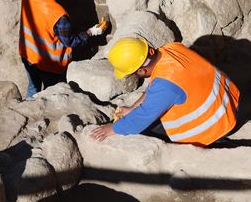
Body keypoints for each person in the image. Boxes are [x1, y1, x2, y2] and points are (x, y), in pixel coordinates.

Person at [90, 38, 240, 146]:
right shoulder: (171, 49)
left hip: (216, 125)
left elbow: (140, 119)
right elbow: (154, 88)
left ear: (141, 70)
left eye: (133, 73)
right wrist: (133, 108)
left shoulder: (166, 84)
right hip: (231, 102)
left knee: (147, 132)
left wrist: (112, 129)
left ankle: (219, 143)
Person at [18, 0, 106, 97]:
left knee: (33, 89)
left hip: (28, 54)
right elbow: (70, 42)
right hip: (50, 65)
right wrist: (92, 32)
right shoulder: (58, 15)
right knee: (51, 96)